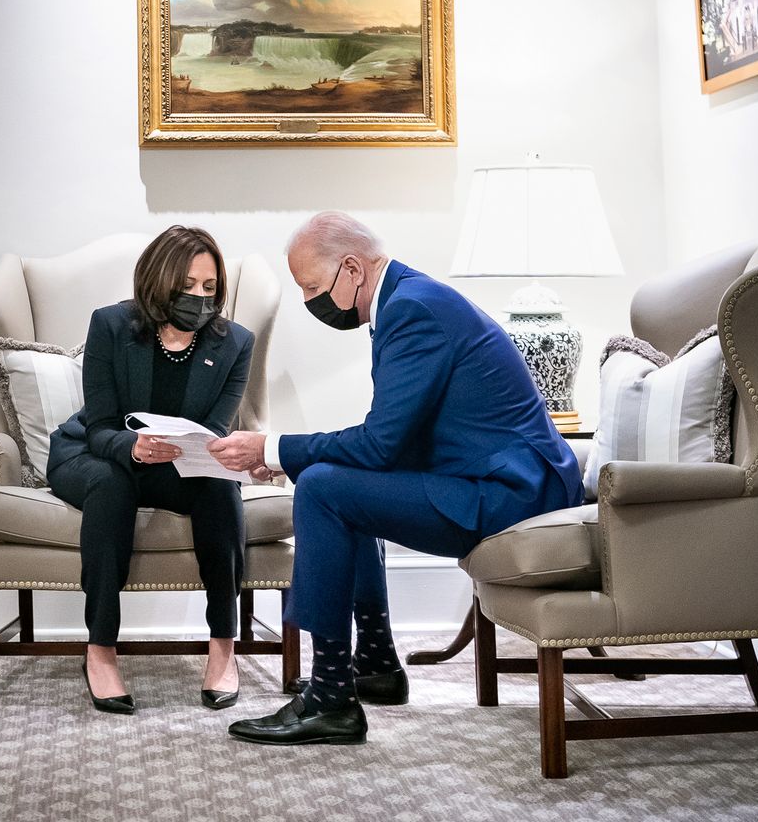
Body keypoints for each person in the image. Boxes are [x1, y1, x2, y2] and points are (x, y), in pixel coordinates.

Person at [209, 211, 581, 746]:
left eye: (312, 287)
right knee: (335, 479)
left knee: (323, 488)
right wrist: (293, 455)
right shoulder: (407, 300)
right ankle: (377, 663)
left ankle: (332, 695)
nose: (311, 301)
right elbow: (392, 442)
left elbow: (381, 443)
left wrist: (275, 447)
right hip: (495, 482)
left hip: (512, 496)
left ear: (353, 269)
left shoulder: (413, 310)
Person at [45, 225, 255, 715]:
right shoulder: (112, 325)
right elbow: (98, 425)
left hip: (175, 462)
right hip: (96, 454)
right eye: (187, 286)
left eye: (210, 287)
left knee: (221, 490)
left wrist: (231, 458)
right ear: (158, 281)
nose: (200, 298)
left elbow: (214, 430)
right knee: (111, 484)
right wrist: (132, 447)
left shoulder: (235, 343)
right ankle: (100, 651)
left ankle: (223, 648)